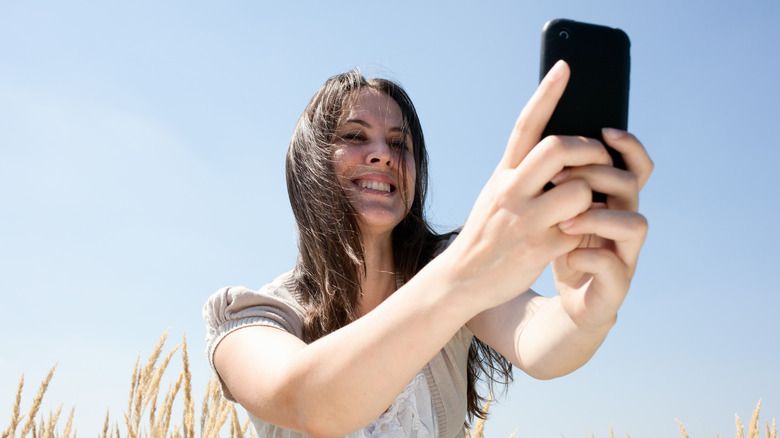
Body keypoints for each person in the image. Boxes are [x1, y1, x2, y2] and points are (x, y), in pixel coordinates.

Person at [203, 60, 653, 438]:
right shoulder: (250, 318)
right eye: (355, 136)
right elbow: (306, 401)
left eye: (400, 143)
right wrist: (466, 270)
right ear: (310, 162)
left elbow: (540, 344)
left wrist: (584, 316)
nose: (382, 153)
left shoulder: (442, 268)